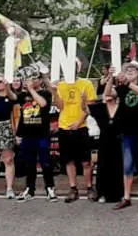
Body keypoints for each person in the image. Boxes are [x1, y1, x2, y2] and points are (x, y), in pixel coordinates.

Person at [106, 61, 138, 210]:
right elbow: (108, 94)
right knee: (127, 166)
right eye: (127, 69)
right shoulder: (121, 88)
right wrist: (111, 77)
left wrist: (127, 83)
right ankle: (126, 197)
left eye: (134, 69)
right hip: (127, 132)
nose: (130, 71)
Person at [54, 59, 97, 203]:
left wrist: (79, 122)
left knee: (86, 161)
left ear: (78, 69)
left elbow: (90, 107)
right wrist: (54, 92)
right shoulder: (60, 84)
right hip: (64, 126)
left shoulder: (86, 84)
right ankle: (73, 188)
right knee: (69, 161)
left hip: (81, 127)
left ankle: (90, 187)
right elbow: (59, 106)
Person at [15, 72, 56, 202]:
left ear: (39, 80)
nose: (30, 81)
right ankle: (29, 189)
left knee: (45, 162)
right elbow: (12, 98)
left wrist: (31, 89)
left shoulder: (45, 93)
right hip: (27, 135)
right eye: (29, 79)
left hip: (41, 134)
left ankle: (50, 188)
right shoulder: (23, 95)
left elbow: (43, 104)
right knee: (30, 163)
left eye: (33, 78)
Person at [94, 82, 124, 205]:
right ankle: (102, 193)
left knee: (118, 166)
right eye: (108, 90)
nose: (110, 92)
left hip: (118, 141)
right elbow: (85, 108)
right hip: (104, 141)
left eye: (113, 90)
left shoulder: (122, 107)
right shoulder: (100, 108)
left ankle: (119, 194)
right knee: (103, 166)